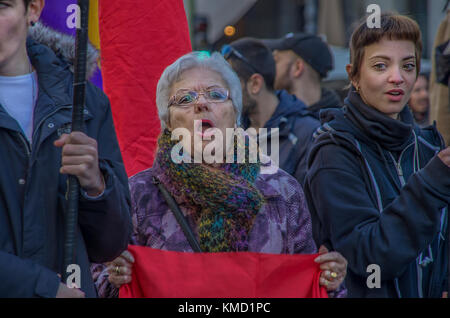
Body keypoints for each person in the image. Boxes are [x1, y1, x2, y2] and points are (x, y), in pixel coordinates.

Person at [92, 51, 347, 298]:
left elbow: (304, 284)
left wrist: (329, 281)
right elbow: (99, 281)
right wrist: (114, 279)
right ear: (168, 122)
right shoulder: (138, 194)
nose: (202, 104)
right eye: (185, 99)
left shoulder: (282, 191)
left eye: (215, 94)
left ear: (235, 114)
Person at [303, 13, 450, 298]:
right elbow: (369, 260)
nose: (397, 77)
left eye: (408, 66)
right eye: (380, 65)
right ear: (354, 75)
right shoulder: (333, 151)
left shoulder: (430, 147)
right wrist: (430, 186)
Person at [0, 0, 131, 297]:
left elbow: (111, 244)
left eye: (1, 6)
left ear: (32, 9)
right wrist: (45, 288)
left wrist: (96, 186)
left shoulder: (86, 103)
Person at [222, 37, 320, 185]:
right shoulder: (233, 132)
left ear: (255, 84)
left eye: (230, 84)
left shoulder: (308, 133)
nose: (224, 94)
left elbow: (305, 204)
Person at [263, 33, 342, 120]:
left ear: (298, 67)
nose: (270, 67)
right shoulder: (275, 118)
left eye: (276, 60)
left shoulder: (336, 125)